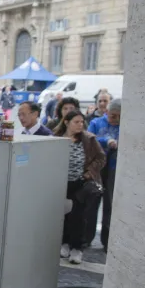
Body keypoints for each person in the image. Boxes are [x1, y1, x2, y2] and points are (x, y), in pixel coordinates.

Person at [53, 111, 105, 264]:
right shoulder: (56, 139)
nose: (80, 125)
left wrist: (89, 173)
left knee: (78, 216)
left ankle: (77, 248)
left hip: (80, 183)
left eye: (82, 122)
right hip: (61, 183)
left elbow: (101, 158)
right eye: (76, 122)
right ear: (66, 122)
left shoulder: (88, 139)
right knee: (63, 215)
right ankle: (64, 243)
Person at [88, 99, 121, 252]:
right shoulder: (96, 123)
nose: (113, 119)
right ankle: (86, 238)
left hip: (114, 169)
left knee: (110, 205)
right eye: (111, 115)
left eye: (117, 116)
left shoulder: (124, 126)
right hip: (96, 168)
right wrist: (106, 140)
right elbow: (88, 138)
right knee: (91, 203)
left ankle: (107, 241)